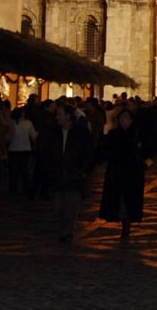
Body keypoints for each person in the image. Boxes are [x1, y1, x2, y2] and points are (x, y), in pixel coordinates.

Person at [46, 102, 94, 243]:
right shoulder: (54, 133)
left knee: (72, 206)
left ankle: (67, 232)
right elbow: (47, 152)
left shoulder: (81, 133)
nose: (57, 117)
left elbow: (89, 153)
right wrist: (51, 168)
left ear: (68, 116)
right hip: (58, 175)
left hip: (74, 175)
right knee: (59, 207)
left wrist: (82, 169)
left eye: (59, 114)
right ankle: (64, 228)